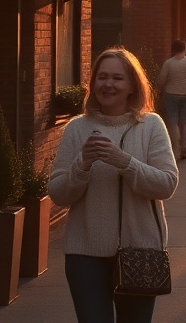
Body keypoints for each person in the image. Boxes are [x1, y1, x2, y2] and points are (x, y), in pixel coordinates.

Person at [49, 47, 179, 323]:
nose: (108, 84)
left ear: (132, 85)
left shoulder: (151, 126)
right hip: (85, 253)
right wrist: (81, 165)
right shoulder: (76, 128)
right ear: (93, 83)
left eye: (117, 78)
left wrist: (125, 162)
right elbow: (58, 193)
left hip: (140, 250)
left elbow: (166, 184)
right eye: (102, 77)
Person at [156, 39, 186, 160]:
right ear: (185, 48)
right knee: (185, 122)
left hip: (170, 94)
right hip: (185, 94)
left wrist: (158, 89)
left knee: (173, 122)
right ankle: (184, 146)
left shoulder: (168, 63)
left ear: (173, 49)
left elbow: (161, 80)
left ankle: (176, 147)